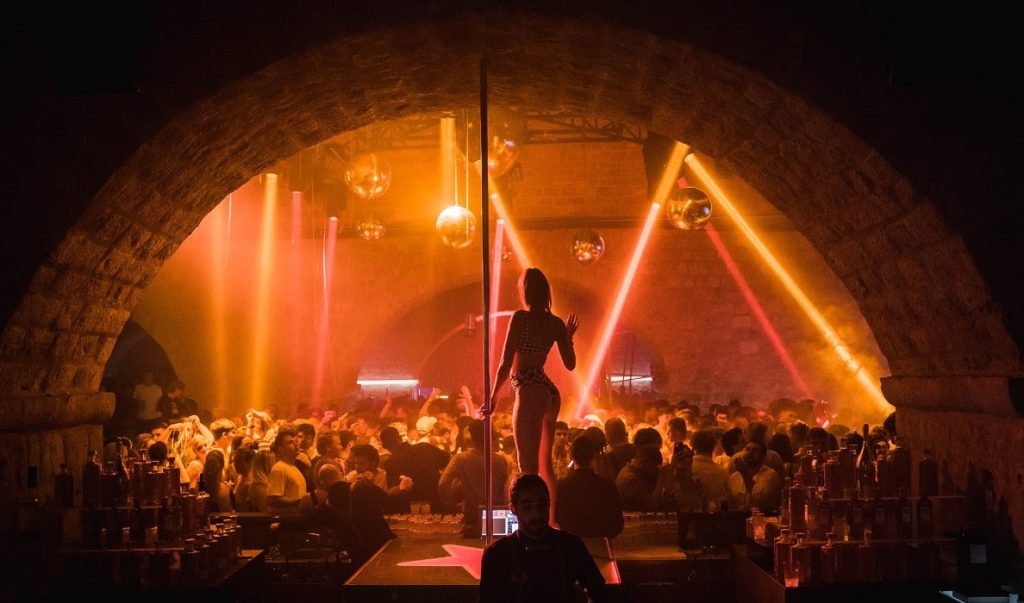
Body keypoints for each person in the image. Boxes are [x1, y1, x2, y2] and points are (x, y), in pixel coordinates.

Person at [488, 268, 578, 503]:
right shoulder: (555, 323)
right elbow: (570, 364)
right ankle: (550, 518)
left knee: (527, 468)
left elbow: (506, 361)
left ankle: (530, 519)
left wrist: (493, 397)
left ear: (525, 291)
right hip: (548, 390)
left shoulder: (521, 318)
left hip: (529, 388)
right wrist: (567, 336)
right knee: (545, 466)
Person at [479, 474, 609, 603]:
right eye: (527, 507)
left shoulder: (572, 546)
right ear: (513, 509)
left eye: (541, 505)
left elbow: (599, 592)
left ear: (549, 504)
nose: (536, 514)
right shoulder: (497, 554)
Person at [439, 419, 509, 537]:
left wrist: (452, 505)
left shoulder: (461, 459)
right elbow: (506, 489)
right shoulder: (500, 460)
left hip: (471, 513)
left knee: (472, 544)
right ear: (490, 436)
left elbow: (443, 483)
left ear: (471, 436)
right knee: (497, 543)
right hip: (496, 512)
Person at [555, 433, 623, 538]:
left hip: (570, 543)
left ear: (571, 456)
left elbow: (556, 519)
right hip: (600, 543)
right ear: (593, 456)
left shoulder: (561, 487)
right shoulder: (607, 486)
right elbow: (617, 524)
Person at [267, 426, 308, 516]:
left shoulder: (294, 468)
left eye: (295, 441)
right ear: (281, 449)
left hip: (296, 519)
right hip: (286, 521)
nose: (296, 445)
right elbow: (272, 499)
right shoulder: (279, 468)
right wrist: (298, 501)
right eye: (290, 442)